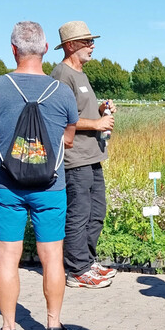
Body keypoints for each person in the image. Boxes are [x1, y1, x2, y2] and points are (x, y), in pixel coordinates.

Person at [0, 21, 79, 330]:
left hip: (6, 185)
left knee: (8, 257)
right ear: (46, 49)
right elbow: (68, 139)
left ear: (13, 50)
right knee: (52, 257)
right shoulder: (62, 91)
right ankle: (53, 328)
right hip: (50, 187)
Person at [51, 21, 117, 289]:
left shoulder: (80, 74)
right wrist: (97, 124)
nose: (92, 46)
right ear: (70, 46)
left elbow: (80, 110)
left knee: (96, 212)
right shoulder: (61, 75)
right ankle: (76, 270)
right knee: (79, 214)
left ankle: (87, 263)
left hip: (93, 155)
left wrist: (101, 108)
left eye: (92, 41)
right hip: (75, 158)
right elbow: (59, 118)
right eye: (86, 42)